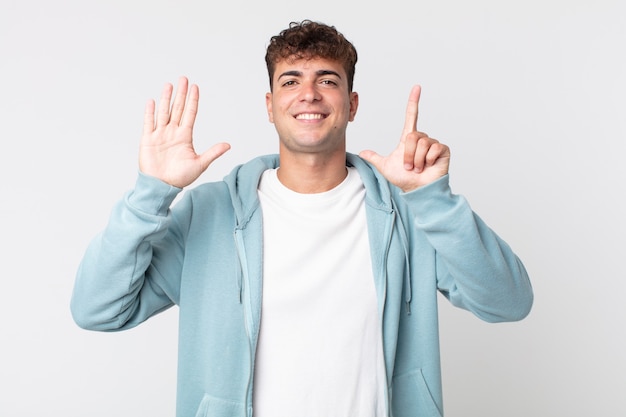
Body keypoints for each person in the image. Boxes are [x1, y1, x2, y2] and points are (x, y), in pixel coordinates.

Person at [71, 19, 533, 417]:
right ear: (270, 106)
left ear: (351, 104)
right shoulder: (208, 214)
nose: (308, 94)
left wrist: (433, 199)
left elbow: (508, 302)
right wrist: (151, 193)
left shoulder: (407, 214)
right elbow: (98, 309)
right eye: (290, 80)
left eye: (327, 80)